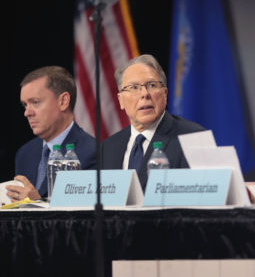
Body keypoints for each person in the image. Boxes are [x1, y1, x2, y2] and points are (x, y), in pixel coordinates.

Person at [102, 54, 205, 190]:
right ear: (121, 100)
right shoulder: (109, 147)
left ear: (165, 94)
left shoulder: (193, 137)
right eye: (134, 87)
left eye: (151, 85)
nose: (144, 94)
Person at [7, 66, 96, 202]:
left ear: (63, 101)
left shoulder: (92, 152)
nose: (27, 113)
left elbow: (84, 217)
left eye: (35, 102)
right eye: (25, 105)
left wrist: (36, 203)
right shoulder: (24, 154)